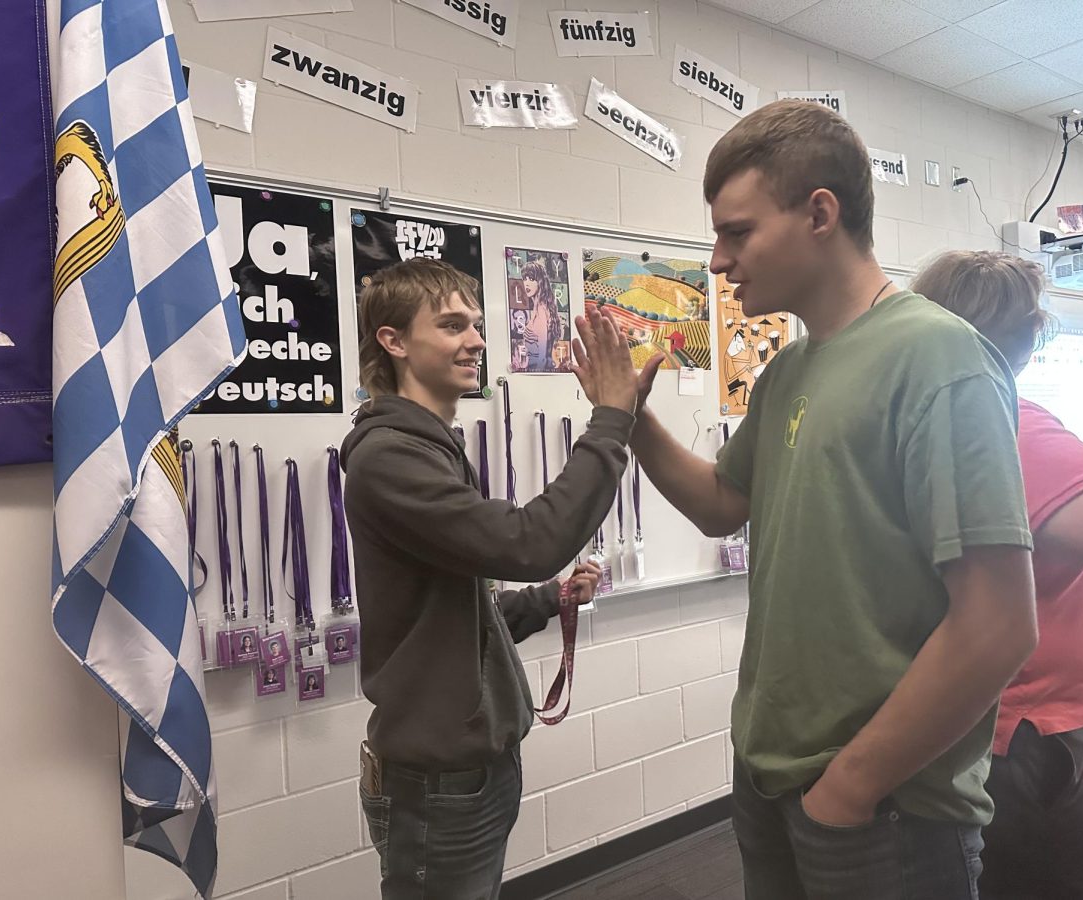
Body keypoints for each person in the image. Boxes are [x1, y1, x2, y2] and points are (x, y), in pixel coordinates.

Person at [610, 100, 1038, 898]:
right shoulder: (791, 370)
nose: (716, 261)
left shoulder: (940, 358)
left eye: (737, 232)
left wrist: (850, 786)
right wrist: (630, 420)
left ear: (819, 214)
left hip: (885, 807)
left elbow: (999, 624)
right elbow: (720, 506)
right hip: (772, 783)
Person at [341, 256, 636, 899]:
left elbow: (456, 617)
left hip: (471, 773)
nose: (476, 340)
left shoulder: (430, 446)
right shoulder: (391, 458)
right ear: (392, 342)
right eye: (451, 326)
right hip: (439, 783)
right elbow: (529, 542)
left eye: (475, 325)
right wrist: (612, 421)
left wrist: (547, 600)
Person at [914, 250, 1083, 900]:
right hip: (1039, 727)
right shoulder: (1001, 419)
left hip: (1024, 715)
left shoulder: (949, 412)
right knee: (1050, 883)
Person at [521, 259, 561, 372]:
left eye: (532, 279)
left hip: (537, 370)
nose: (527, 283)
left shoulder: (541, 311)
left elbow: (542, 357)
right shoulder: (542, 308)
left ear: (540, 282)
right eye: (525, 279)